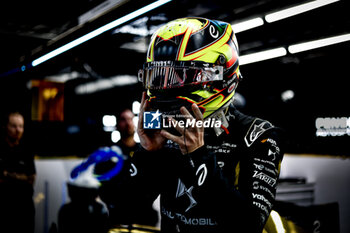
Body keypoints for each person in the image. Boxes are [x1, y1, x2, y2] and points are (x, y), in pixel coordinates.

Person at [101, 17, 285, 232]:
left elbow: (248, 225)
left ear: (220, 78)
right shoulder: (165, 134)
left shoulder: (258, 135)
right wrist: (147, 153)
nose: (167, 89)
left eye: (180, 77)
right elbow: (124, 210)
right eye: (161, 78)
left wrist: (200, 155)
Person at [96, 109, 159, 227]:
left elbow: (154, 180)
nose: (128, 123)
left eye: (130, 119)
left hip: (144, 216)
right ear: (117, 125)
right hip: (118, 216)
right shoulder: (109, 153)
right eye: (123, 119)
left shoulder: (144, 151)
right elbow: (101, 183)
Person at [0, 111, 36, 233]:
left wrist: (8, 175)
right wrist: (21, 178)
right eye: (14, 126)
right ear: (5, 127)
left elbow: (31, 179)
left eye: (21, 126)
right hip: (4, 207)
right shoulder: (0, 150)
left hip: (25, 208)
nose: (18, 130)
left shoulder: (26, 151)